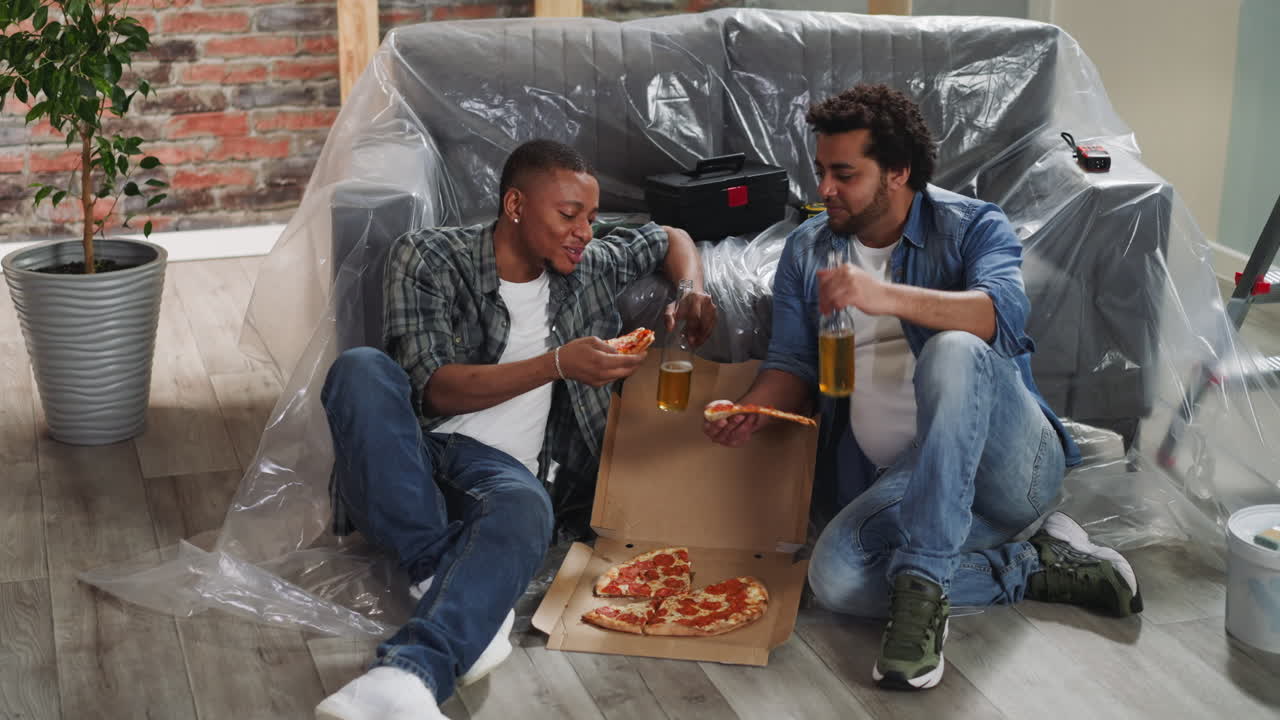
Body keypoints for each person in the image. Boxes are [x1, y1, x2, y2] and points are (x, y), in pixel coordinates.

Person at [703, 84, 1142, 691]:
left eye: (844, 174)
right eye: (821, 171)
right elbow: (793, 364)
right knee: (834, 579)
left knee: (955, 348)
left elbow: (999, 316)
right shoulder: (809, 249)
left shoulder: (971, 225)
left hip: (1009, 472)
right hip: (903, 484)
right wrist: (753, 408)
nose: (823, 189)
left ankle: (924, 592)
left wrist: (882, 296)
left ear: (898, 172)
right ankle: (1033, 563)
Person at [316, 139, 716, 719]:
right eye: (568, 214)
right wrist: (558, 363)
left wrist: (691, 291)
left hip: (500, 477)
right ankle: (449, 578)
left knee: (529, 507)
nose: (584, 230)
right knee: (359, 370)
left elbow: (671, 236)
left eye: (591, 216)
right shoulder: (428, 257)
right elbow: (434, 387)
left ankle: (406, 676)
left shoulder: (588, 266)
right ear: (515, 205)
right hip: (411, 453)